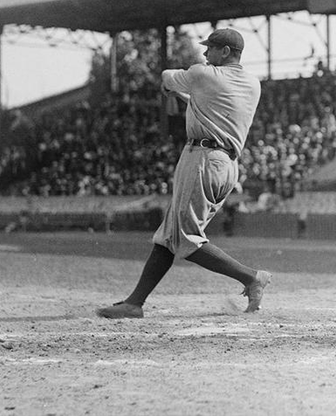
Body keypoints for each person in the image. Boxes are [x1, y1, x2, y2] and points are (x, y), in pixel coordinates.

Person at [97, 28, 270, 318]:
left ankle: (252, 277)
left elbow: (166, 76)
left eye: (210, 48)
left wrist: (169, 88)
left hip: (202, 158)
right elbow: (214, 106)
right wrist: (187, 97)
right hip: (227, 165)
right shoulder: (252, 83)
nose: (205, 53)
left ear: (225, 52)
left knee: (187, 238)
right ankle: (135, 302)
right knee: (169, 235)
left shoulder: (204, 74)